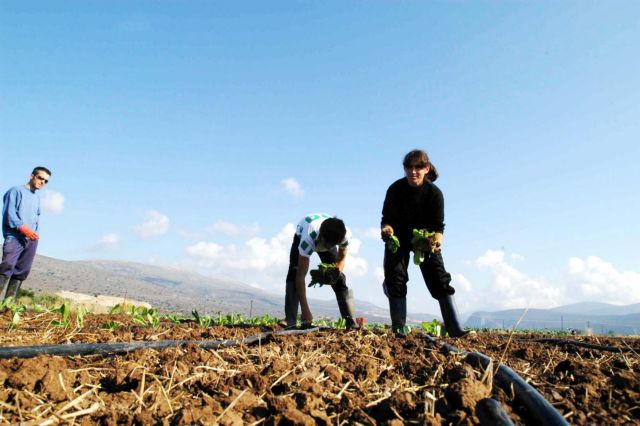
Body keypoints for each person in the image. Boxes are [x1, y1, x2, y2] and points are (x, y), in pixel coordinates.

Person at [380, 150, 467, 337]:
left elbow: (438, 227)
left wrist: (435, 242)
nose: (413, 172)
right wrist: (386, 230)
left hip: (424, 240)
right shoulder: (395, 190)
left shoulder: (434, 194)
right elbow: (386, 219)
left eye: (418, 167)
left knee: (439, 278)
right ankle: (399, 329)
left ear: (426, 169)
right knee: (395, 278)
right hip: (399, 238)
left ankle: (455, 329)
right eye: (409, 167)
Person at [285, 213, 357, 328]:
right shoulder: (307, 239)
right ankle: (291, 323)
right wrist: (305, 310)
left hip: (326, 236)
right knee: (294, 275)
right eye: (327, 244)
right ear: (321, 237)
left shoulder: (345, 236)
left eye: (332, 245)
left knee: (339, 279)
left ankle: (351, 322)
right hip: (303, 231)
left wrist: (334, 275)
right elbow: (300, 276)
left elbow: (341, 259)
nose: (328, 248)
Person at [0, 166, 51, 301]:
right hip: (15, 237)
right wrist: (23, 228)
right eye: (41, 178)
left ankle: (8, 307)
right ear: (32, 176)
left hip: (31, 240)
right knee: (7, 267)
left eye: (46, 181)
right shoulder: (15, 191)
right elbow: (9, 214)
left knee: (22, 271)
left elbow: (36, 218)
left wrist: (34, 235)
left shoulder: (37, 198)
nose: (42, 182)